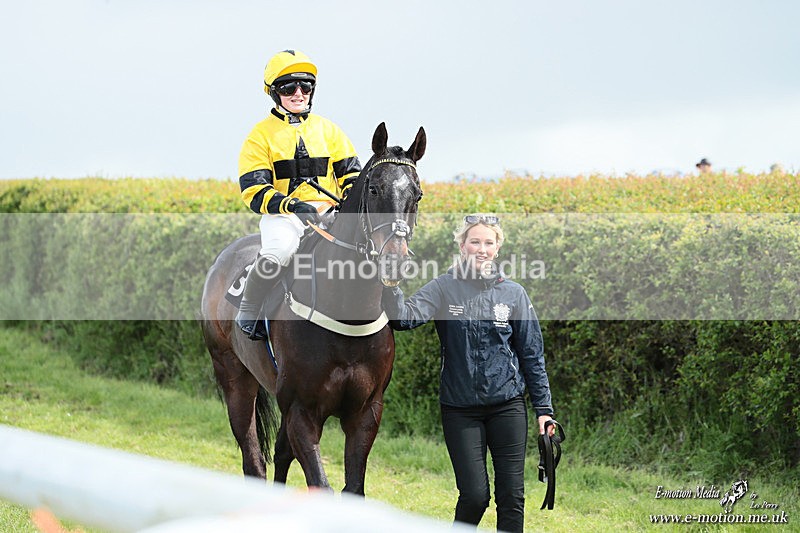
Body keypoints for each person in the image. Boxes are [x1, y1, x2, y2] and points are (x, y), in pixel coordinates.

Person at [381, 214, 555, 533]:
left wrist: (544, 410)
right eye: (475, 241)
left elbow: (532, 354)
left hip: (508, 407)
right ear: (462, 245)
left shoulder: (514, 293)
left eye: (489, 243)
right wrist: (391, 285)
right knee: (475, 496)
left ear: (498, 248)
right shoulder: (443, 287)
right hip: (460, 409)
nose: (481, 249)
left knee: (512, 497)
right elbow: (403, 319)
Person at [236, 49, 362, 338]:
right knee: (279, 251)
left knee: (368, 245)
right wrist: (292, 206)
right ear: (273, 92)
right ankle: (249, 308)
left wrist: (347, 202)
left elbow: (352, 175)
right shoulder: (259, 136)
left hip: (330, 213)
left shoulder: (330, 130)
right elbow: (254, 191)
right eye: (288, 88)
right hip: (284, 216)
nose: (298, 93)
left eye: (305, 86)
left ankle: (393, 305)